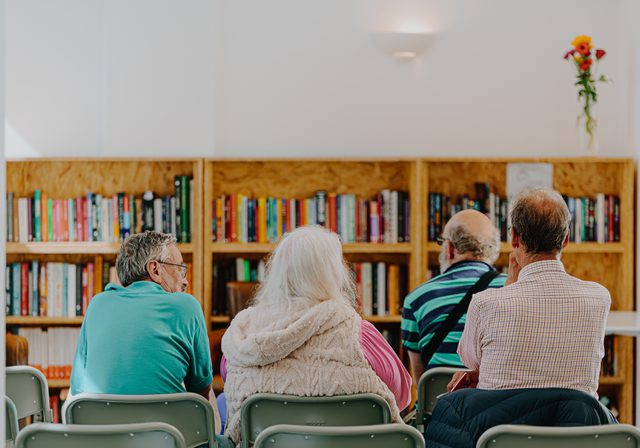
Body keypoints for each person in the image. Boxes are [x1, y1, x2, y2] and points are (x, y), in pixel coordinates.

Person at [221, 226, 412, 444]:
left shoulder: (242, 333)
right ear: (332, 274)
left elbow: (232, 383)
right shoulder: (357, 331)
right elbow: (402, 395)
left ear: (276, 273)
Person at [453, 189, 610, 395]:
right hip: (575, 425)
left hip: (501, 426)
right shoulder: (599, 298)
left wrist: (509, 287)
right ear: (565, 239)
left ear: (515, 237)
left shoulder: (485, 303)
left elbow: (472, 361)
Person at [70, 231, 220, 431]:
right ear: (155, 269)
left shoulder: (96, 304)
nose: (185, 281)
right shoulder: (186, 305)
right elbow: (201, 394)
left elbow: (79, 389)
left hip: (103, 439)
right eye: (180, 270)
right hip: (169, 439)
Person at [402, 209, 505, 383]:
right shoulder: (512, 291)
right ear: (493, 251)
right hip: (497, 406)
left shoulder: (417, 299)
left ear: (449, 248)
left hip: (437, 407)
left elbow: (421, 383)